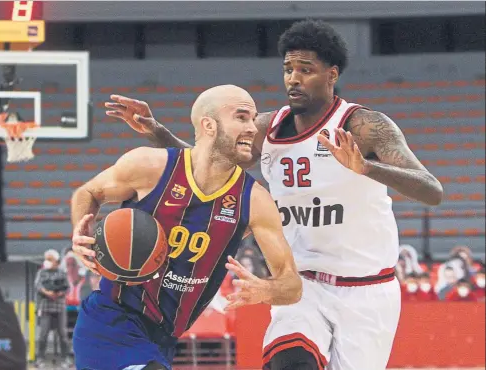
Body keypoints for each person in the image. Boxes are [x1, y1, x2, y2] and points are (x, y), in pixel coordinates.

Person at [106, 19, 444, 370]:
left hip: (367, 289)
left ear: (332, 74)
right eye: (288, 69)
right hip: (301, 285)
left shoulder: (363, 126)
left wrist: (366, 168)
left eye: (305, 69)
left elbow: (431, 189)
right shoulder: (267, 128)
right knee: (289, 362)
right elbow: (205, 164)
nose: (293, 79)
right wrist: (157, 131)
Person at [71, 85, 303, 370]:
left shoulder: (254, 201)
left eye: (253, 120)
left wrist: (265, 290)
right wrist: (80, 232)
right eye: (241, 117)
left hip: (164, 338)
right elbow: (89, 192)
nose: (253, 129)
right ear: (208, 125)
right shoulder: (149, 166)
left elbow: (291, 284)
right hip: (110, 321)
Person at [33, 249, 71, 368]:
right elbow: (38, 285)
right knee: (42, 335)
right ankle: (40, 359)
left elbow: (67, 288)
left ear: (56, 261)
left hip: (59, 308)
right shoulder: (41, 272)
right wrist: (47, 292)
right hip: (45, 308)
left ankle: (66, 359)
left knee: (63, 335)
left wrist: (58, 293)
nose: (47, 261)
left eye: (50, 259)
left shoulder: (62, 273)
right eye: (46, 259)